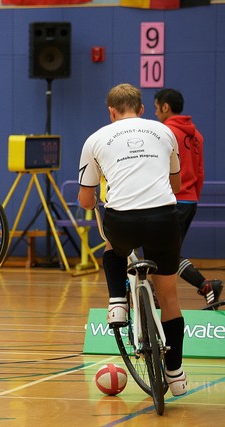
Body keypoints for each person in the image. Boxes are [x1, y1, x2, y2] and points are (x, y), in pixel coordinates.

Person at [78, 83, 187, 396]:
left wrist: (94, 197)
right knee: (169, 298)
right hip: (163, 219)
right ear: (141, 109)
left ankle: (116, 301)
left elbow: (86, 201)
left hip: (122, 221)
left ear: (111, 112)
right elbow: (176, 185)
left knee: (112, 245)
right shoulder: (165, 132)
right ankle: (176, 375)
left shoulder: (96, 139)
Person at [154, 88, 222, 308]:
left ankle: (205, 285)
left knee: (163, 252)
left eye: (156, 108)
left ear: (165, 107)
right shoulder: (197, 135)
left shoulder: (165, 132)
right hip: (189, 201)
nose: (156, 113)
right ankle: (159, 297)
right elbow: (200, 172)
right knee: (167, 253)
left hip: (171, 201)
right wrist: (192, 197)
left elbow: (159, 167)